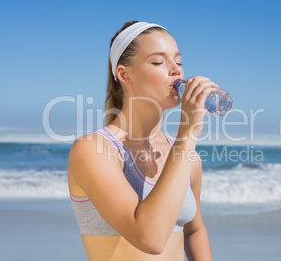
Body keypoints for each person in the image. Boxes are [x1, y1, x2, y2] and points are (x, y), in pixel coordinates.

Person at [68, 21, 217, 260]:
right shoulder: (93, 150)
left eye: (178, 62)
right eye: (159, 62)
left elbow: (194, 230)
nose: (177, 71)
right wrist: (187, 133)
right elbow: (149, 238)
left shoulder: (189, 159)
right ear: (124, 74)